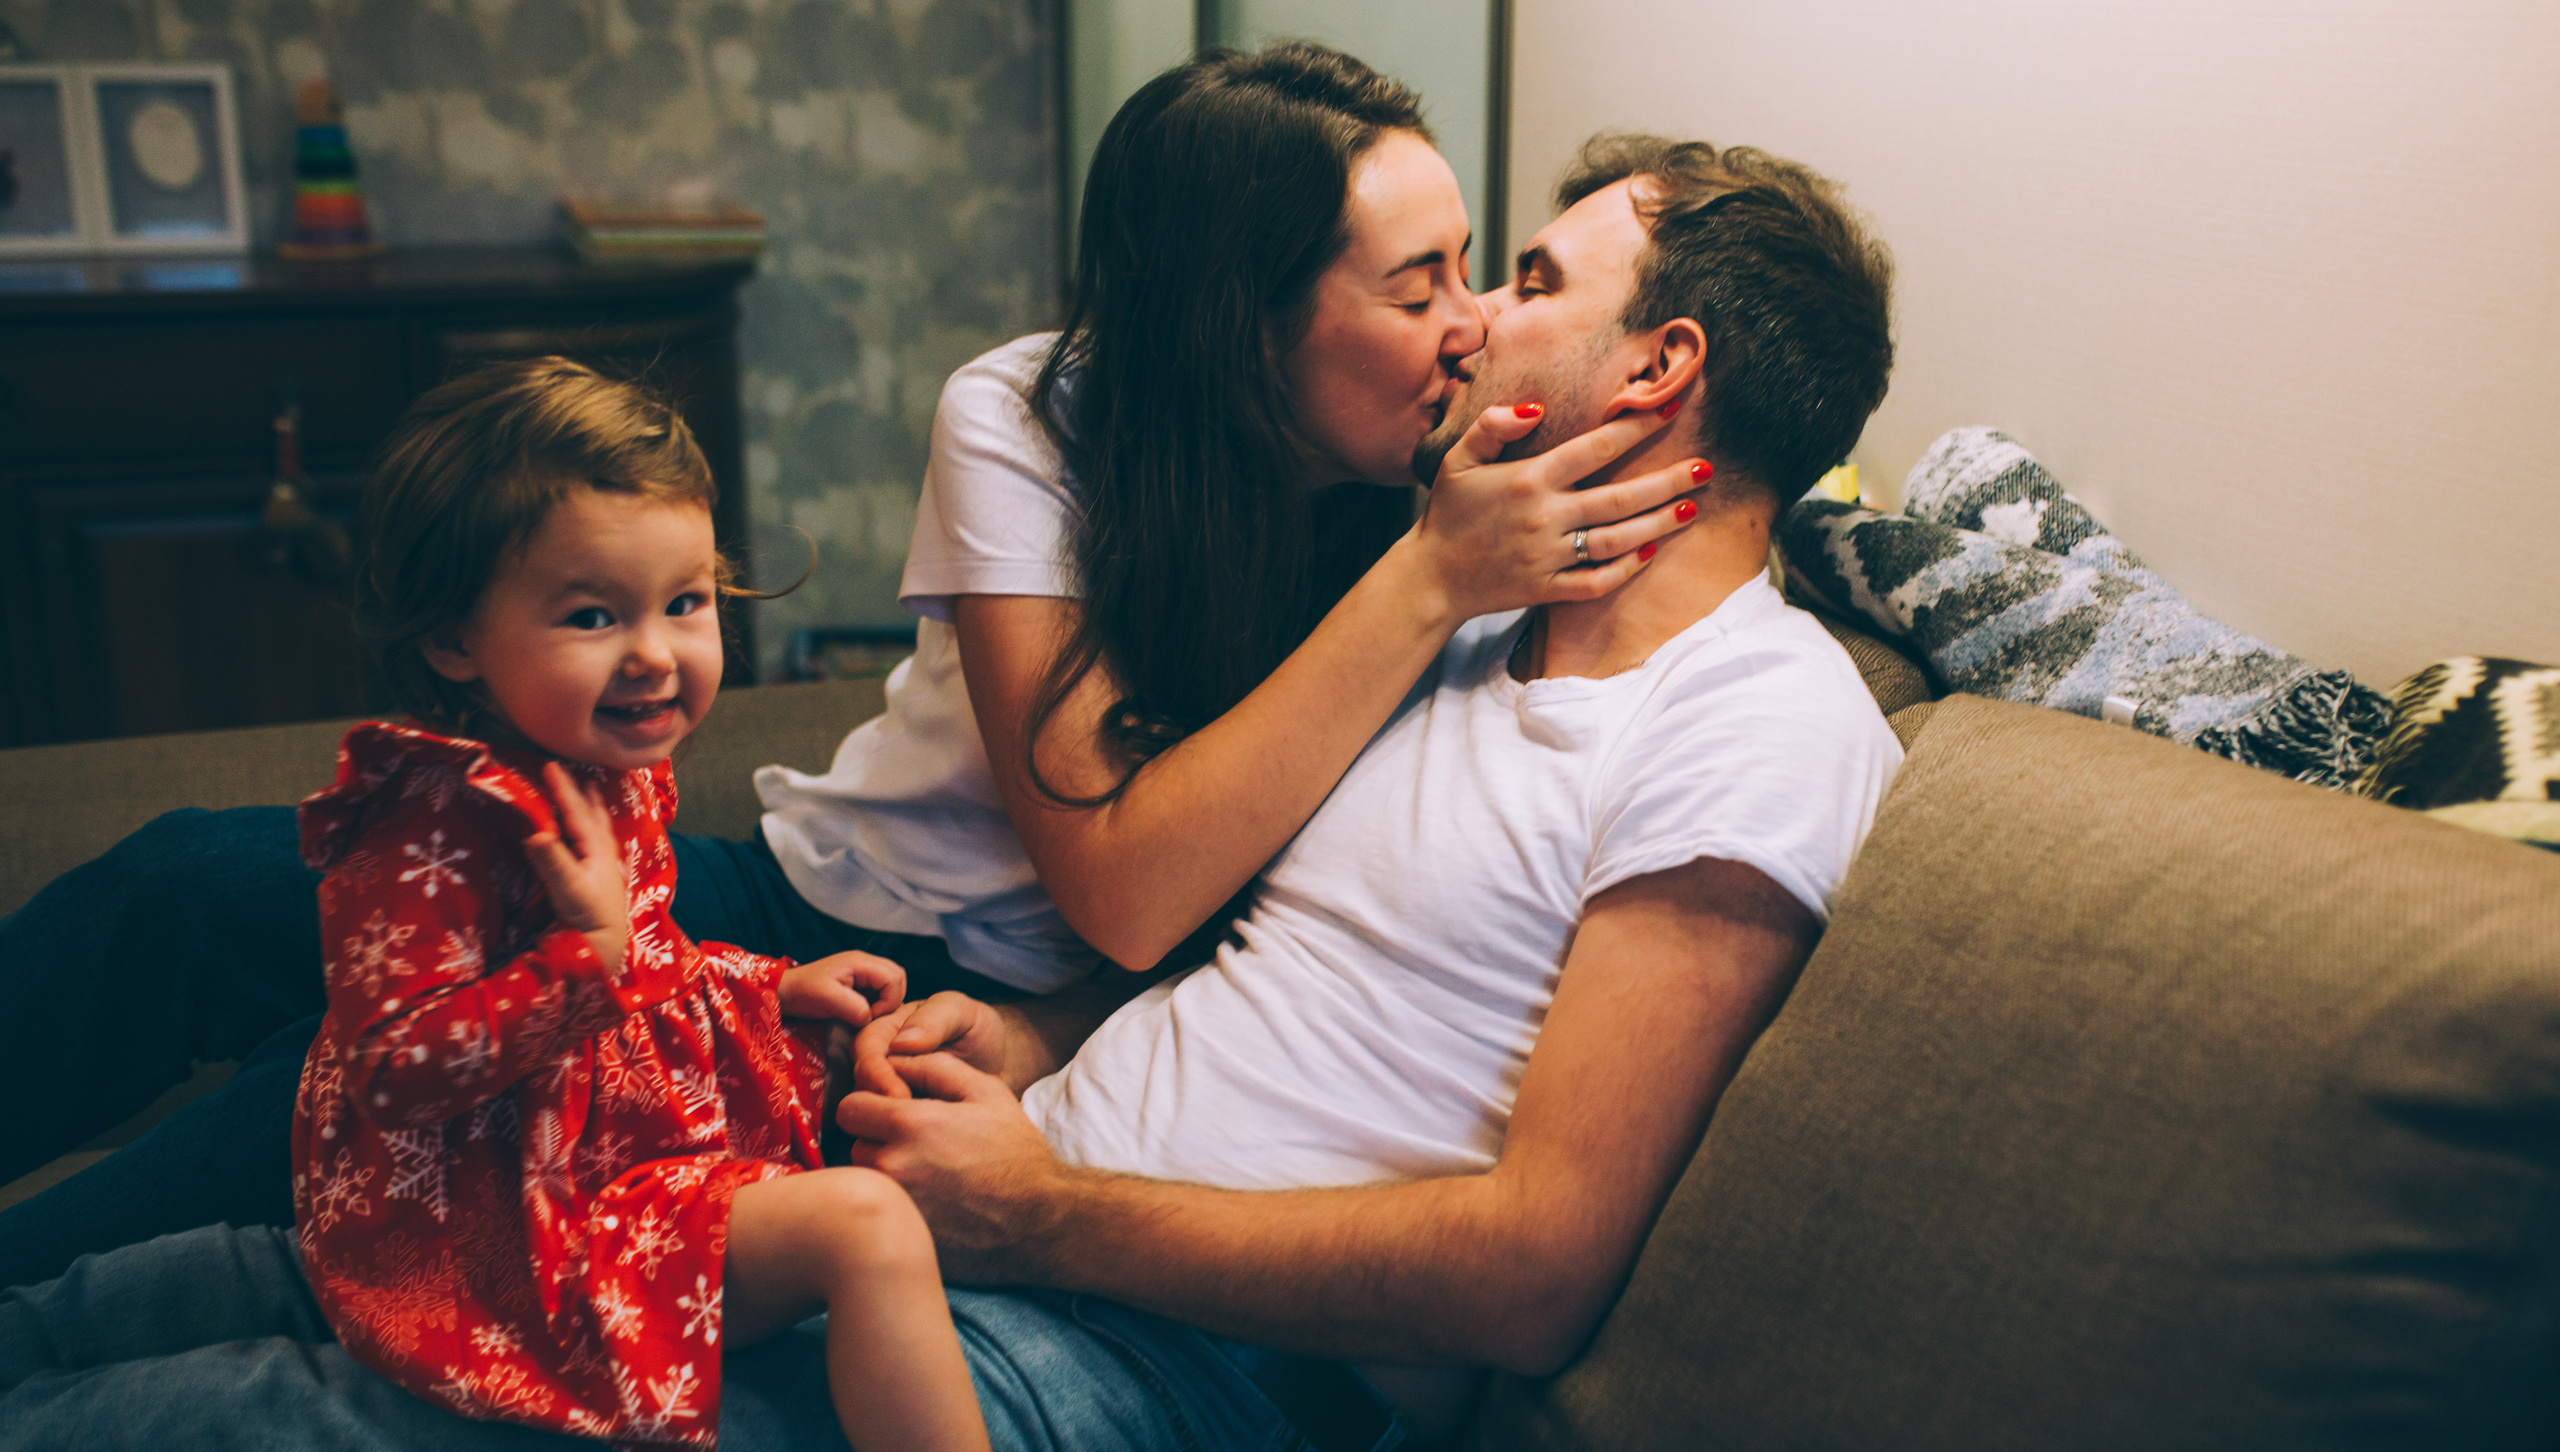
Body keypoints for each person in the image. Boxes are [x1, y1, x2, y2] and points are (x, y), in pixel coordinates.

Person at [0, 130, 1898, 1452]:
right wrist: (1038, 1039)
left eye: (1533, 278)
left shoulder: (1752, 722)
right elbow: (1269, 967)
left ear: (1664, 373)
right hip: (976, 1195)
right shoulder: (1460, 630)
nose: (1476, 319)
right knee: (267, 1261)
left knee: (226, 1451)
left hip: (1172, 1376)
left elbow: (1535, 1266)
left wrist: (1052, 1214)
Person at [0, 43, 1704, 1287]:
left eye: (1482, 271)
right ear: (1245, 322)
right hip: (794, 898)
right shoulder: (1035, 415)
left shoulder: (1450, 530)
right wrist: (1422, 579)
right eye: (1427, 283)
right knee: (189, 885)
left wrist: (1053, 1019)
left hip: (890, 1019)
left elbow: (1149, 922)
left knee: (309, 1126)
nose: (1476, 323)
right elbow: (1105, 844)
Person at [288, 357, 1225, 1452]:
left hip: (586, 1161)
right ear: (452, 638)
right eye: (591, 614)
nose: (657, 655)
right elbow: (395, 1067)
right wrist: (584, 961)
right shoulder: (435, 821)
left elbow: (654, 952)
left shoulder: (604, 770)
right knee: (864, 1225)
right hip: (496, 1224)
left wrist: (765, 987)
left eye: (685, 601)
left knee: (861, 1150)